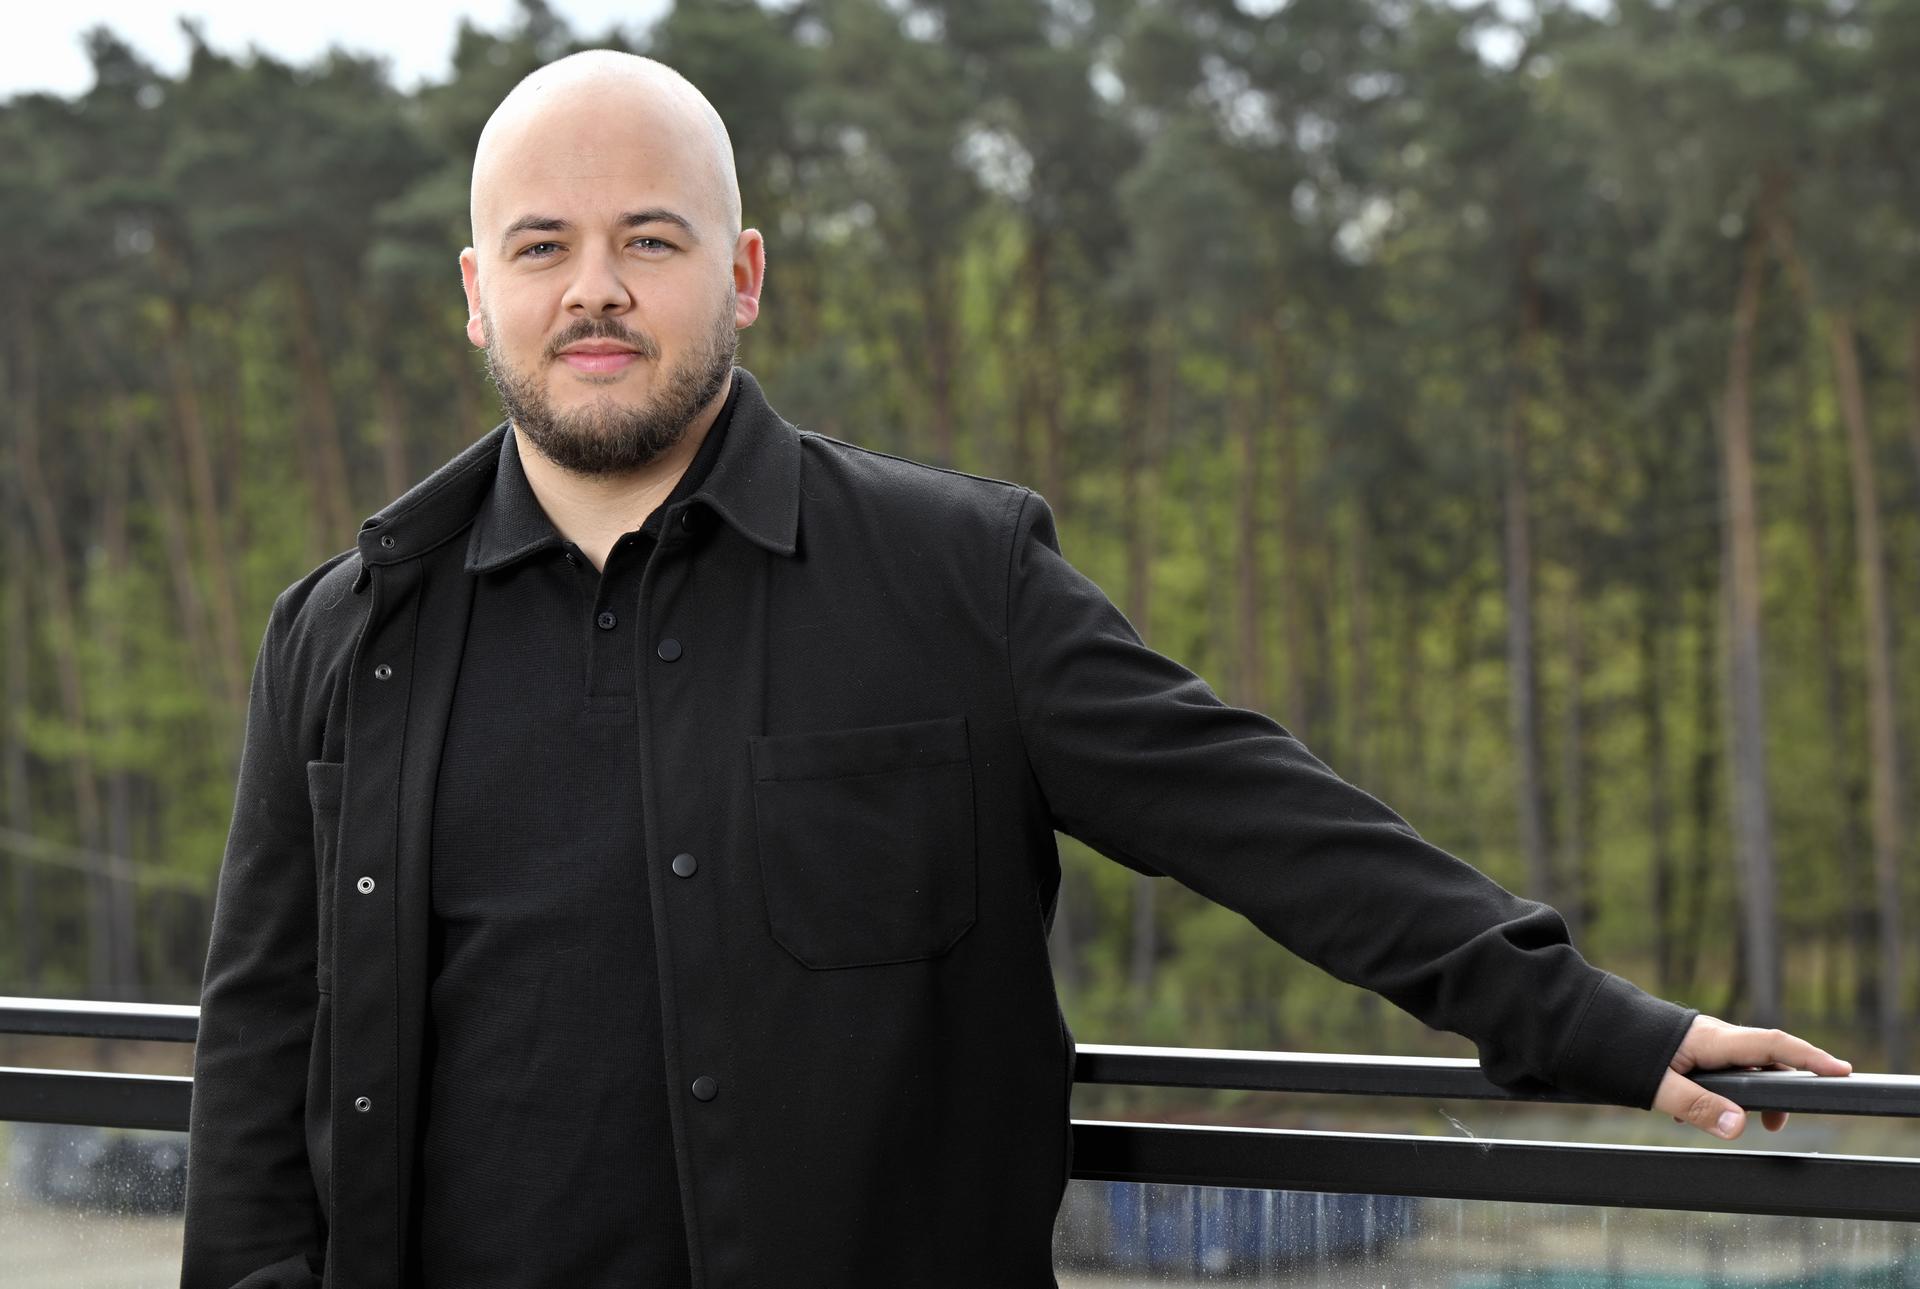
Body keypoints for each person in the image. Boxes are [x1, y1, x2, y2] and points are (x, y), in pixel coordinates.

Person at [180, 49, 1850, 1289]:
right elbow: (261, 1052)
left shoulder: (953, 578)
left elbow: (1255, 812)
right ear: (478, 294)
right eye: (543, 247)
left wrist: (1583, 1017)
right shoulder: (347, 634)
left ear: (743, 273)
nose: (596, 289)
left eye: (652, 241)